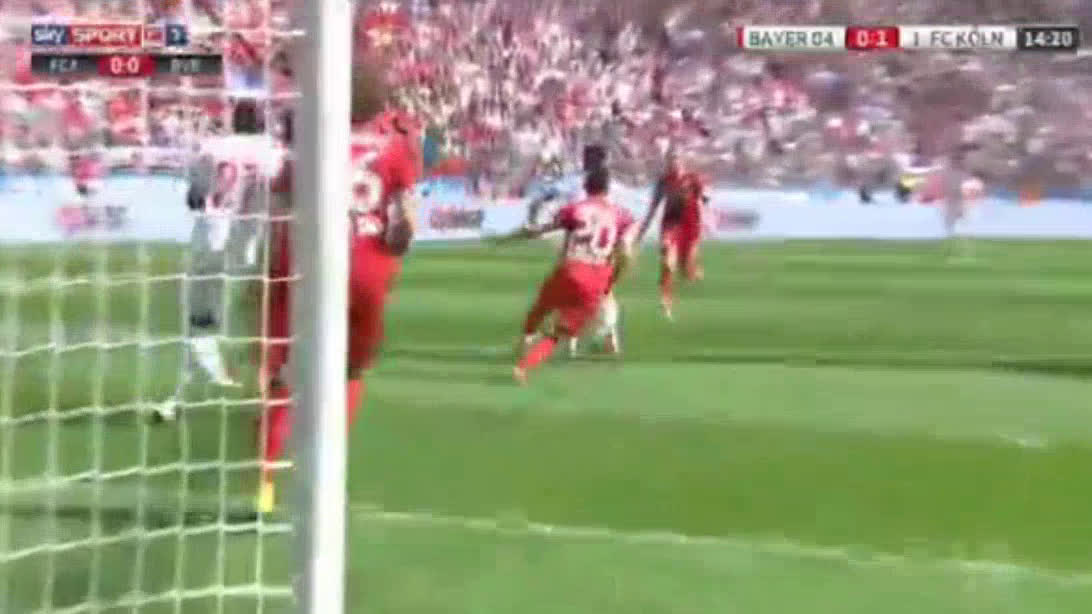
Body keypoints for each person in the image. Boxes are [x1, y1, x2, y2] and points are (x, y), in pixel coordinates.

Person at [256, 79, 420, 513]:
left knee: (283, 372)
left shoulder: (311, 143)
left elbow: (281, 205)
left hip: (306, 262)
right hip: (367, 269)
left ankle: (265, 478)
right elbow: (405, 225)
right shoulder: (395, 149)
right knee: (350, 372)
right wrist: (393, 243)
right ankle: (326, 475)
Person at [155, 101, 278, 421]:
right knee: (253, 320)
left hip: (210, 239)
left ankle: (186, 391)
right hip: (249, 246)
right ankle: (259, 389)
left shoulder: (212, 148)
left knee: (200, 320)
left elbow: (195, 197)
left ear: (233, 120)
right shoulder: (273, 154)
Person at [497, 167, 635, 384]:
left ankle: (523, 341)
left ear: (586, 187)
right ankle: (523, 368)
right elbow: (625, 254)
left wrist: (518, 235)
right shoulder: (622, 216)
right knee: (557, 334)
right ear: (608, 189)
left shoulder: (575, 209)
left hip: (571, 268)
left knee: (542, 306)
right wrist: (612, 280)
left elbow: (544, 228)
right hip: (597, 277)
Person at [637, 149, 709, 321]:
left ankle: (693, 270)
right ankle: (666, 302)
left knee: (687, 272)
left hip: (691, 226)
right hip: (671, 224)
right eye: (670, 160)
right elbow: (654, 206)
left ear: (682, 162)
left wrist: (707, 220)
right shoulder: (663, 181)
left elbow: (704, 201)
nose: (673, 164)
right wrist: (643, 229)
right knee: (668, 264)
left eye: (676, 160)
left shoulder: (694, 179)